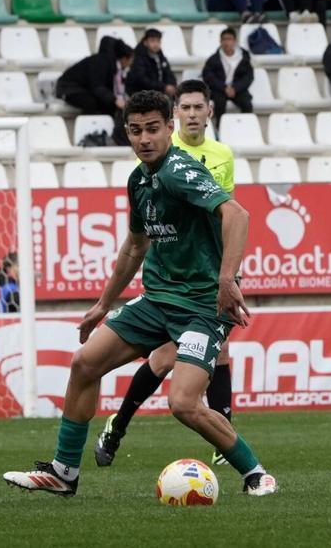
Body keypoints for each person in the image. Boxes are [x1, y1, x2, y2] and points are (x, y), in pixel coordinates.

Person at [2, 89, 278, 499]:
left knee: (183, 402)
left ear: (170, 127)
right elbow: (135, 246)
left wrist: (226, 281)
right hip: (157, 300)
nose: (144, 138)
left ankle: (256, 473)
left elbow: (237, 214)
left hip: (202, 306)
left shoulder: (179, 172)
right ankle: (64, 472)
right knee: (84, 364)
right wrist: (102, 304)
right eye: (135, 131)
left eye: (153, 129)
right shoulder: (139, 180)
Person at [94, 79, 240, 469]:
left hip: (210, 274)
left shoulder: (221, 154)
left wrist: (228, 275)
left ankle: (224, 437)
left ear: (210, 111)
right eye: (185, 107)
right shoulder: (153, 163)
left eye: (198, 107)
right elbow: (139, 240)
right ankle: (117, 424)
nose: (192, 113)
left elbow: (229, 214)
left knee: (219, 352)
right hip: (171, 284)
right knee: (160, 360)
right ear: (175, 117)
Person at [56, 37, 132, 145]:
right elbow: (97, 87)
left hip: (80, 88)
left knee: (106, 104)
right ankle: (87, 133)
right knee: (91, 103)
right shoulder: (101, 62)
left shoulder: (109, 64)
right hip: (67, 88)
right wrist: (115, 100)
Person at [201, 27, 254, 124]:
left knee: (247, 103)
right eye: (224, 39)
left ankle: (247, 126)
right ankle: (220, 128)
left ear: (235, 41)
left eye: (229, 39)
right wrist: (224, 87)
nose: (226, 42)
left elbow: (248, 76)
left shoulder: (244, 58)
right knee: (219, 103)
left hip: (237, 90)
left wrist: (235, 88)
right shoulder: (213, 59)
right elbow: (208, 76)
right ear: (220, 41)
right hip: (219, 90)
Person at [126, 28, 176, 98]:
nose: (156, 44)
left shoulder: (160, 56)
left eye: (158, 41)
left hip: (158, 92)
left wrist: (171, 85)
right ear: (145, 42)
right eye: (152, 41)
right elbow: (142, 79)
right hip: (141, 94)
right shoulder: (138, 57)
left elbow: (169, 73)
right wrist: (164, 87)